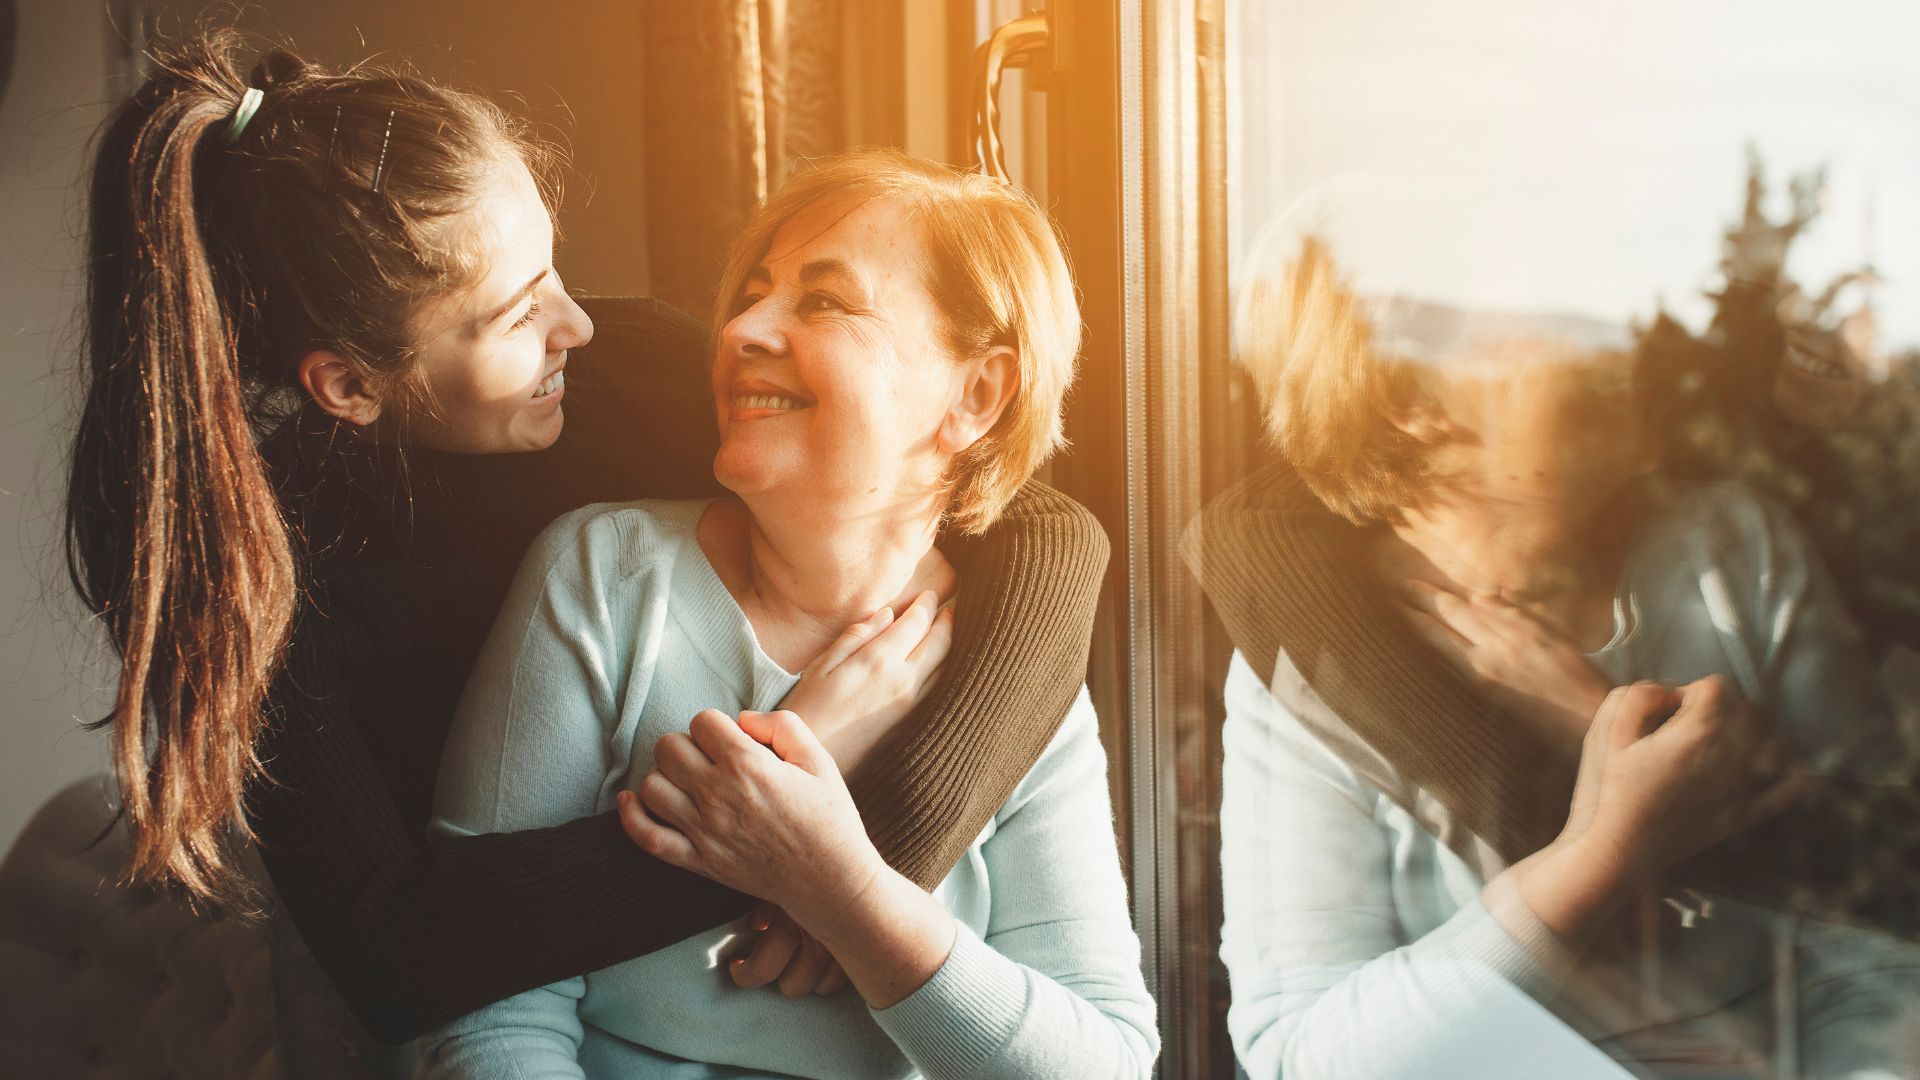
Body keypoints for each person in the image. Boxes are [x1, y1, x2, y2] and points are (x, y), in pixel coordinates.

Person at [62, 31, 1109, 1044]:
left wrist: (887, 837)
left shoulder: (618, 376)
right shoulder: (223, 565)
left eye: (555, 269)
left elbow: (1048, 530)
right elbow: (394, 954)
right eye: (518, 314)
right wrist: (789, 789)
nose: (580, 324)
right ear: (348, 385)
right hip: (436, 993)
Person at [421, 149, 1158, 1079]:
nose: (740, 330)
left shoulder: (1008, 673)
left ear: (976, 394)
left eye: (823, 301)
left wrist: (844, 892)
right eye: (752, 294)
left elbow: (1110, 1064)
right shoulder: (606, 573)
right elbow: (487, 1013)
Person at [1196, 211, 1920, 1077]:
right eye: (1550, 317)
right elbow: (1297, 1056)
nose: (1620, 338)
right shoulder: (1309, 664)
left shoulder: (1732, 551)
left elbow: (1886, 929)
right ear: (1412, 394)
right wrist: (1602, 852)